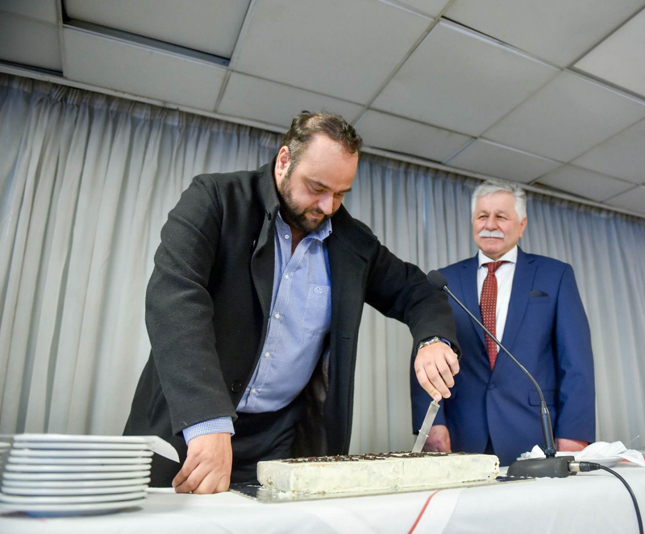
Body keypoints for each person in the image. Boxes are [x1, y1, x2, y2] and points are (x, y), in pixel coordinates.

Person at [125, 111, 460, 493]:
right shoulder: (217, 199)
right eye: (317, 188)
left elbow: (417, 290)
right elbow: (174, 296)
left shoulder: (354, 244)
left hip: (277, 442)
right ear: (284, 160)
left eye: (340, 194)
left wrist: (434, 339)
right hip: (190, 424)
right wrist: (207, 419)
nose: (328, 206)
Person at [410, 181, 595, 466]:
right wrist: (431, 424)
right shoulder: (444, 280)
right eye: (482, 216)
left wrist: (574, 432)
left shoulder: (555, 275)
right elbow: (426, 353)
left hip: (535, 432)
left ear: (522, 225)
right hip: (460, 435)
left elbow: (576, 362)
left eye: (501, 216)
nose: (490, 224)